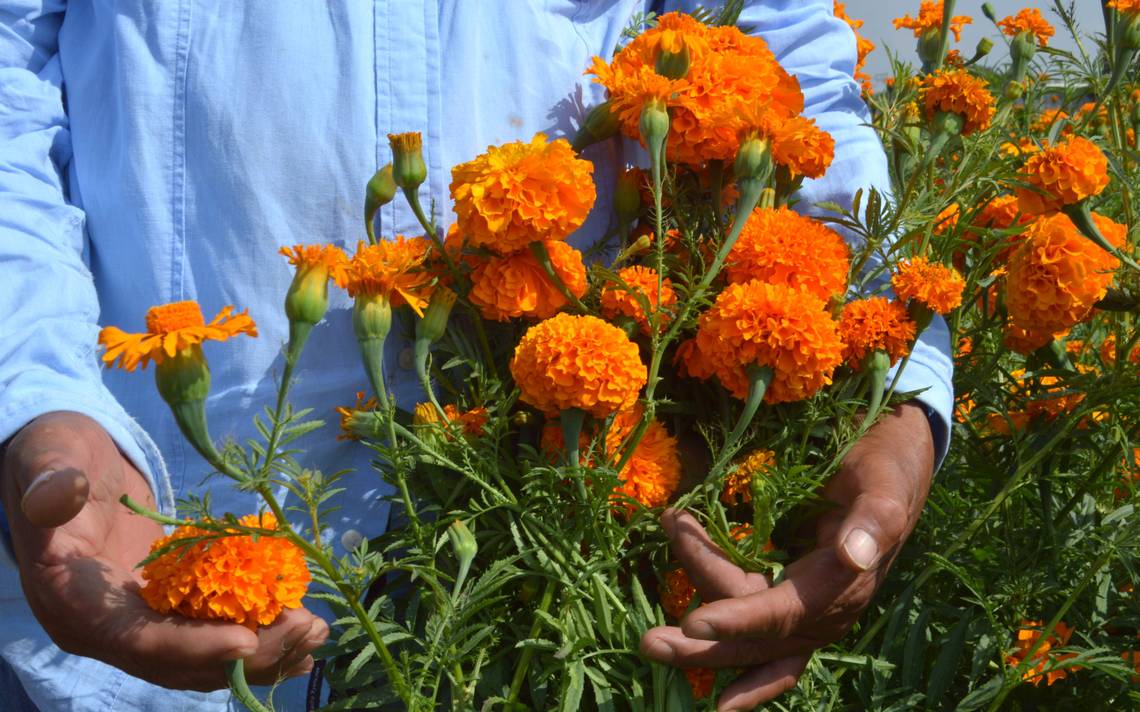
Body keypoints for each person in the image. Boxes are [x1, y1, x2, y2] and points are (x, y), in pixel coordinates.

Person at [0, 1, 951, 710]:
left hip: (570, 563)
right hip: (155, 551)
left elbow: (784, 74)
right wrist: (32, 393)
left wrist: (890, 378)